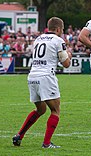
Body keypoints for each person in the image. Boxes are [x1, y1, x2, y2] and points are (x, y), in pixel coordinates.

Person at [12, 17, 72, 148]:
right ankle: (46, 143)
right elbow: (66, 64)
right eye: (61, 30)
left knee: (40, 109)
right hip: (46, 76)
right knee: (55, 110)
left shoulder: (38, 39)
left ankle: (19, 136)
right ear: (58, 29)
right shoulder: (58, 40)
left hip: (33, 76)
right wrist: (69, 55)